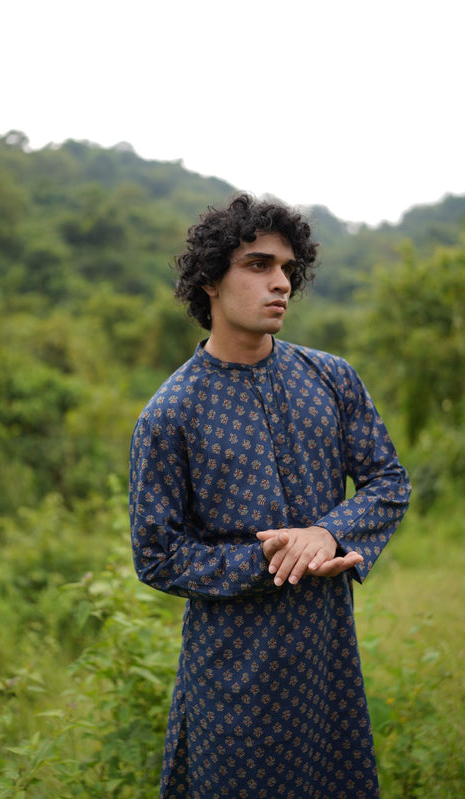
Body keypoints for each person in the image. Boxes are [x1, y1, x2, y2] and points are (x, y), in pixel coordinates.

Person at [129, 193, 411, 798]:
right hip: (233, 675)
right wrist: (268, 560)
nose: (280, 282)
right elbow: (156, 555)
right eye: (258, 265)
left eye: (287, 268)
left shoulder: (331, 378)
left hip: (327, 662)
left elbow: (389, 481)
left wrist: (327, 533)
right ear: (210, 280)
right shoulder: (171, 413)